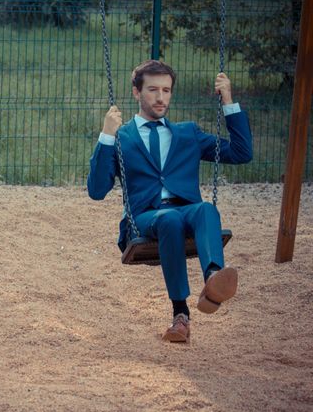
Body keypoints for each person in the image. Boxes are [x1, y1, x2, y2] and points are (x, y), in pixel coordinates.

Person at [87, 60, 253, 342]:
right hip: (146, 218)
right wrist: (106, 135)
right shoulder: (122, 137)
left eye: (166, 90)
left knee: (205, 209)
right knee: (170, 218)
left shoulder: (187, 133)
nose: (160, 97)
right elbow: (97, 190)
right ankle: (180, 313)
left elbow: (241, 152)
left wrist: (228, 101)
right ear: (137, 93)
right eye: (153, 90)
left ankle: (213, 278)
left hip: (185, 209)